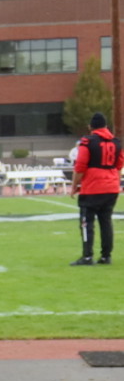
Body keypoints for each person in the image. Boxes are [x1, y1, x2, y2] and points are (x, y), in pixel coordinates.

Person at [70, 111, 119, 266]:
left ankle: (87, 256)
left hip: (92, 187)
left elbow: (80, 166)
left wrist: (74, 186)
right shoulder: (117, 142)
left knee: (86, 222)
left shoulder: (87, 142)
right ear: (105, 126)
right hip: (111, 187)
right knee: (106, 222)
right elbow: (119, 166)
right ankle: (106, 256)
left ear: (91, 126)